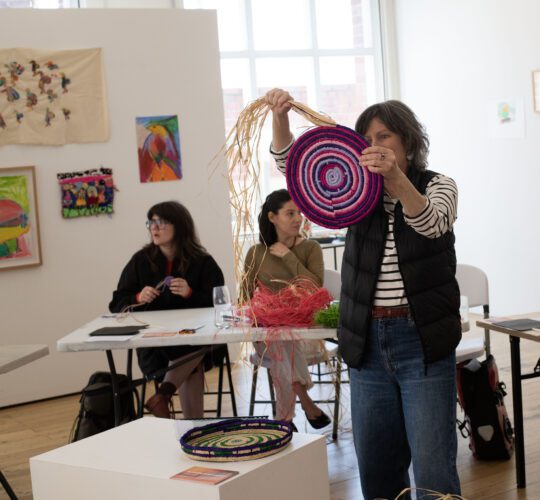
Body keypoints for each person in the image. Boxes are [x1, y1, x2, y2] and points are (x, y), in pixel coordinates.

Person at [266, 88, 461, 499]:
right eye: (367, 138)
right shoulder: (354, 191)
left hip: (422, 338)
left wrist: (395, 179)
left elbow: (432, 224)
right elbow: (292, 165)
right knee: (375, 467)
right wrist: (280, 118)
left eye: (384, 136)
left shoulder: (439, 185)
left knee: (432, 470)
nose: (374, 146)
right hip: (365, 341)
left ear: (409, 141)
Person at [109, 201, 226, 419]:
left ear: (179, 225)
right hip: (155, 344)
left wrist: (191, 294)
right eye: (151, 222)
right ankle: (191, 426)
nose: (154, 227)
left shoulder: (202, 262)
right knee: (193, 356)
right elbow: (116, 303)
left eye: (161, 222)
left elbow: (220, 302)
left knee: (195, 344)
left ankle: (162, 396)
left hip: (195, 338)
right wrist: (137, 297)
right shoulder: (140, 261)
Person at [240, 188, 330, 429]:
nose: (298, 218)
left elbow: (314, 288)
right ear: (272, 217)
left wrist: (288, 256)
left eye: (300, 212)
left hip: (306, 335)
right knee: (278, 337)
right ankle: (306, 402)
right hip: (266, 336)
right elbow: (244, 296)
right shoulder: (256, 253)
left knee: (282, 341)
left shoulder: (310, 249)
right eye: (290, 213)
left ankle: (284, 420)